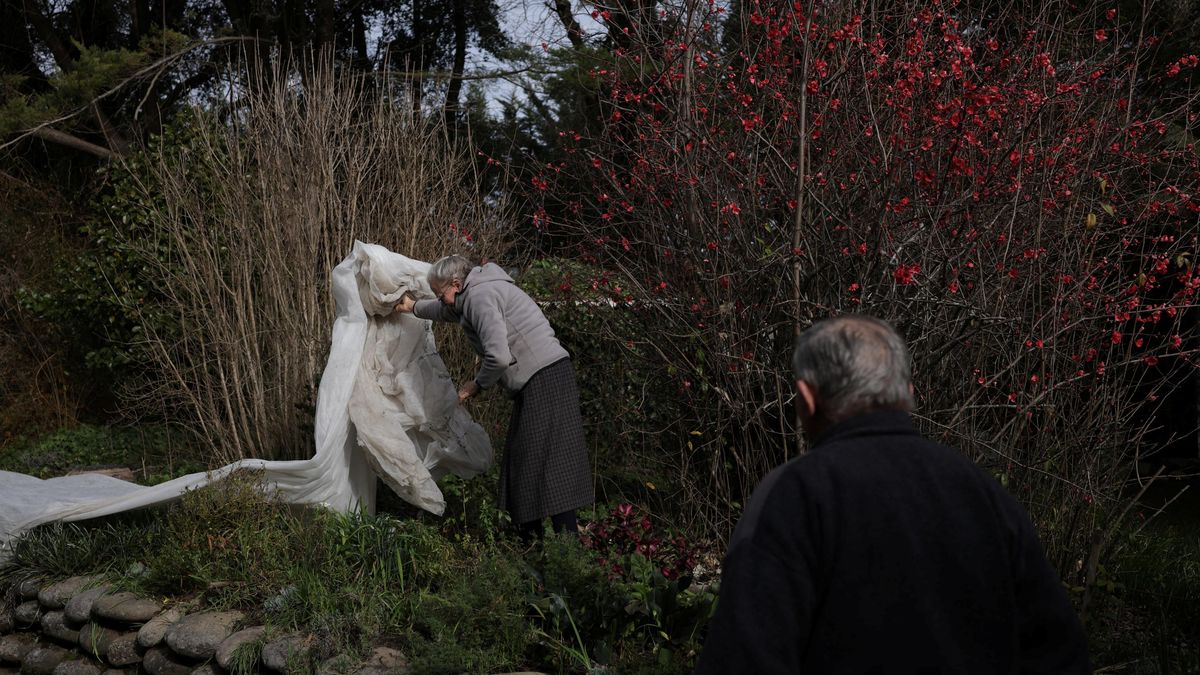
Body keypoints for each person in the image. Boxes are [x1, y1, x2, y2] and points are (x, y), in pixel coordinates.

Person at [695, 315, 1091, 674]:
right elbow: (1059, 654)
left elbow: (743, 659)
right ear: (908, 392)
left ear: (806, 398)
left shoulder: (794, 497)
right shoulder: (984, 493)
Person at [394, 254, 593, 541]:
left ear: (456, 283)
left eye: (442, 292)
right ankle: (547, 545)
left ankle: (552, 546)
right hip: (546, 378)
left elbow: (499, 357)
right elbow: (445, 310)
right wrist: (413, 307)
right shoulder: (473, 293)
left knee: (533, 466)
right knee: (534, 465)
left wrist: (474, 386)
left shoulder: (480, 296)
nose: (441, 298)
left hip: (544, 380)